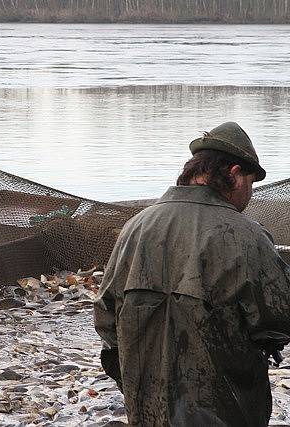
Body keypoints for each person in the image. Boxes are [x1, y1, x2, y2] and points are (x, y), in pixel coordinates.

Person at [94, 121, 290, 426]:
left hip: (148, 411)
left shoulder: (136, 227)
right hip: (227, 412)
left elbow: (106, 318)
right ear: (236, 174)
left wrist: (135, 381)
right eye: (251, 184)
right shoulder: (247, 235)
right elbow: (279, 319)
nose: (249, 196)